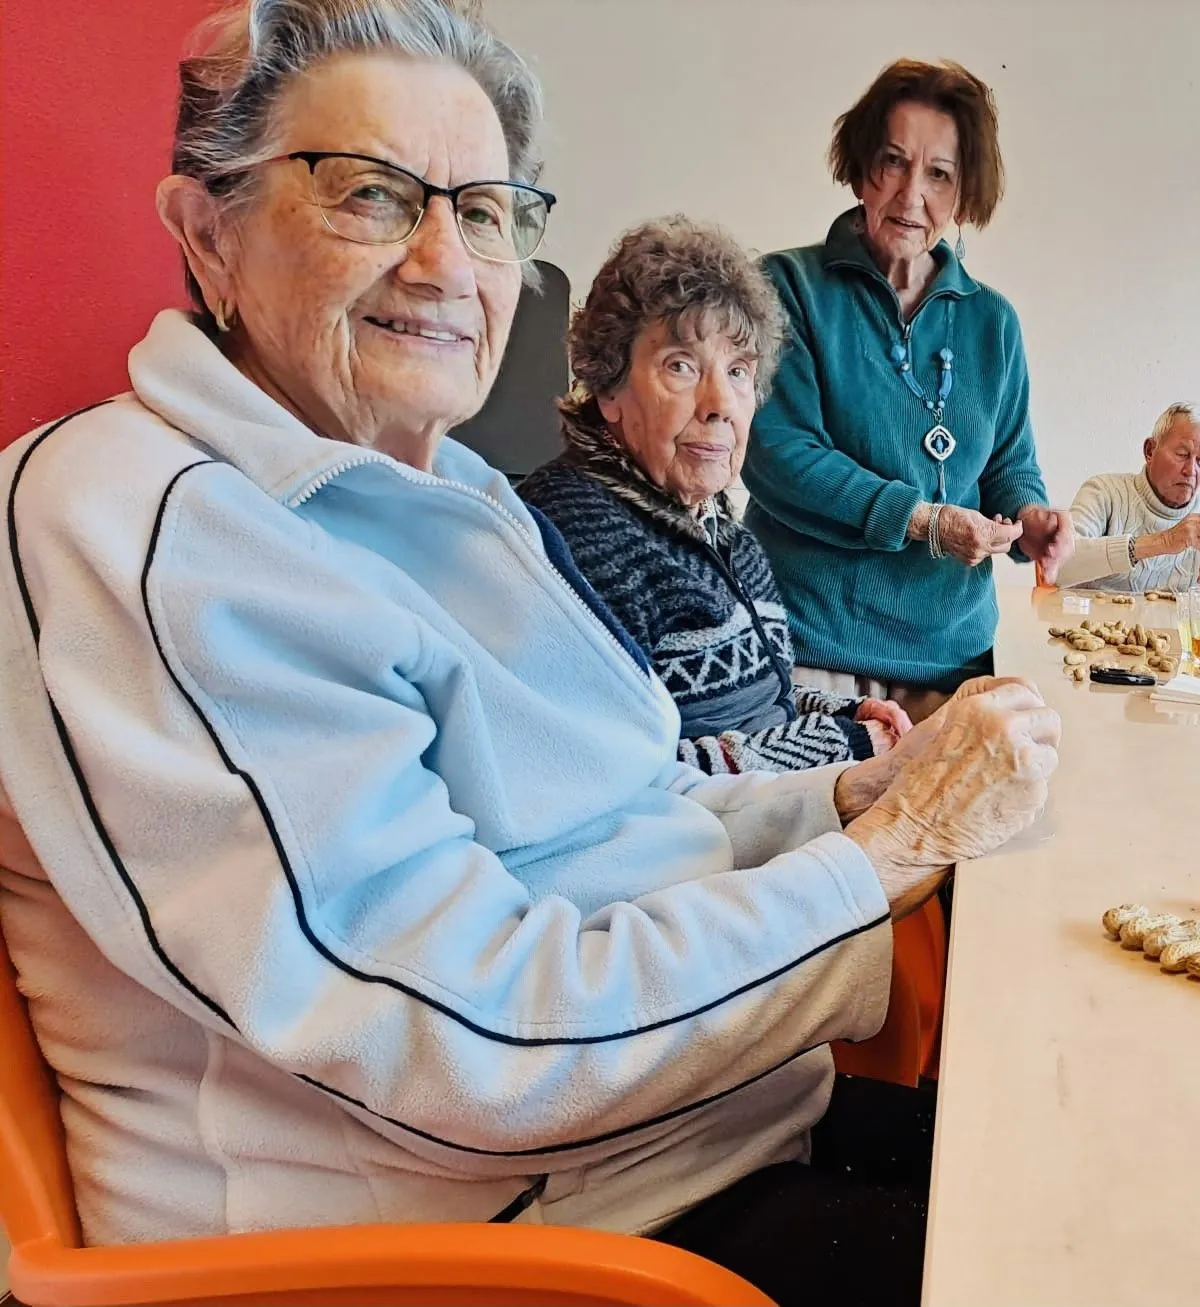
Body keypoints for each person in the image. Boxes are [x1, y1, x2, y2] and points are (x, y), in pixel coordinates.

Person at [0, 6, 1060, 1306]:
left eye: (490, 210)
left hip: (683, 1131)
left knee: (1091, 1159)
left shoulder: (448, 491)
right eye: (373, 193)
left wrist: (838, 799)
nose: (449, 260)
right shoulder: (146, 526)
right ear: (207, 231)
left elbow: (631, 805)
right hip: (510, 1241)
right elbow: (478, 1040)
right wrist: (884, 860)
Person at [743, 59, 1075, 724]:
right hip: (813, 650)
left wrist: (1032, 518)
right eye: (893, 162)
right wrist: (926, 521)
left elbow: (1009, 463)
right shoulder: (788, 288)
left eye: (939, 174)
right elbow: (779, 454)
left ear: (963, 194)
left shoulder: (993, 321)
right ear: (861, 164)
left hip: (952, 662)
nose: (911, 193)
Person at [520, 217, 912, 775]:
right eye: (681, 366)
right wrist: (845, 743)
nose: (719, 403)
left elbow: (751, 705)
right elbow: (623, 775)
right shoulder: (573, 538)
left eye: (738, 371)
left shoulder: (721, 530)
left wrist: (842, 711)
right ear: (608, 385)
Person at [1052, 402, 1200, 593]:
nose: (1191, 470)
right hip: (1098, 630)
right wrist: (1163, 541)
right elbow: (1058, 566)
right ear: (1150, 450)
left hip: (1176, 633)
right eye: (1181, 454)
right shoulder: (1104, 493)